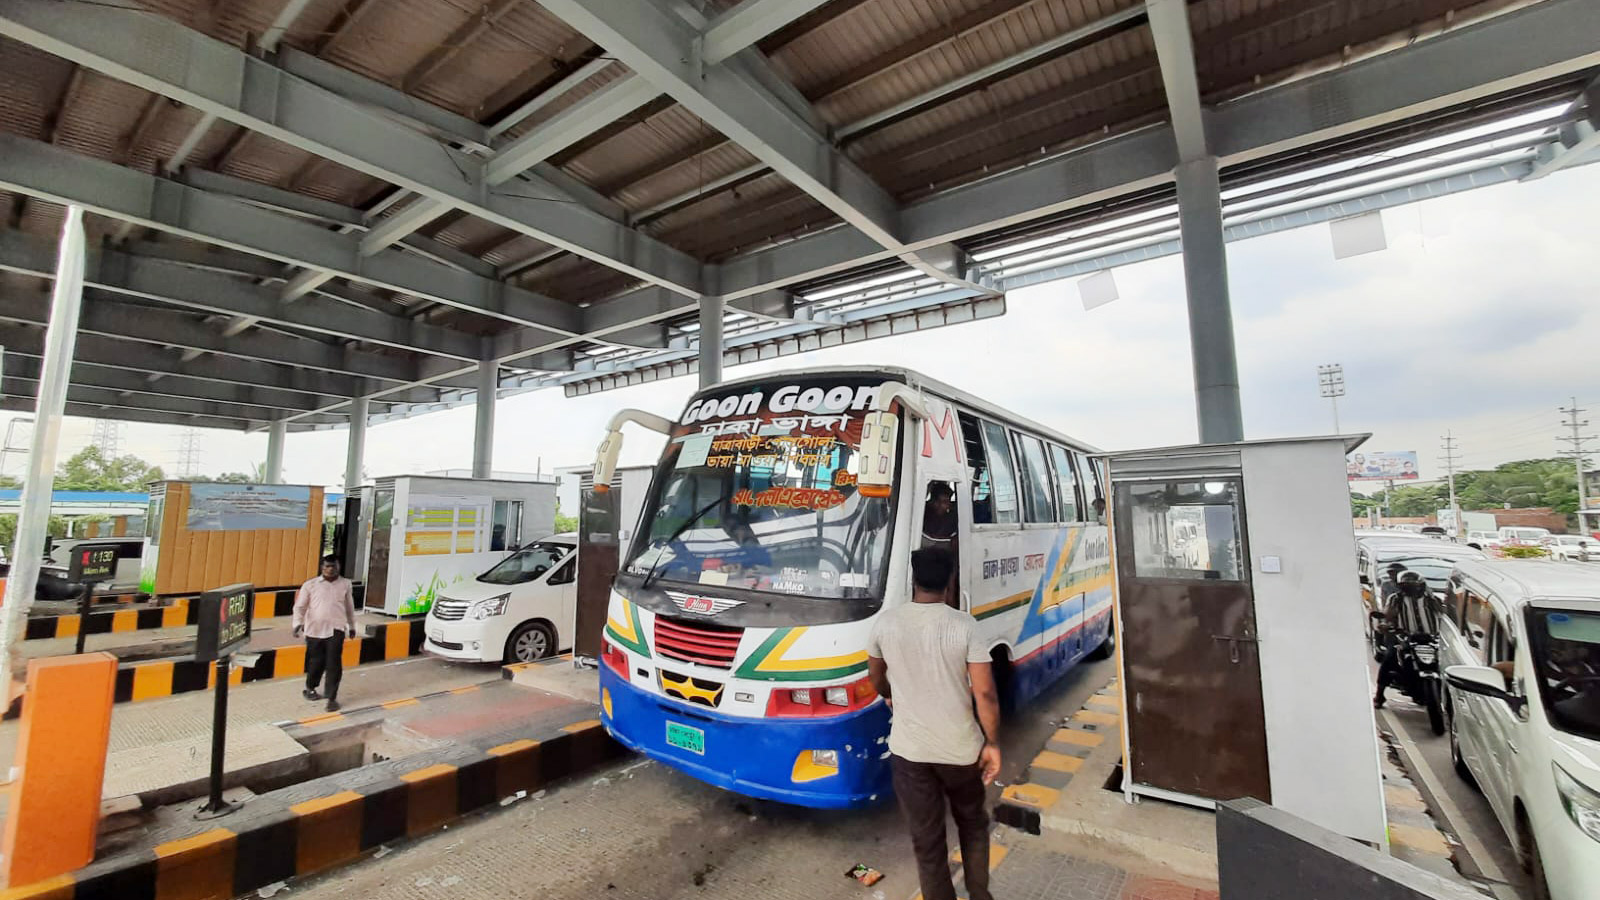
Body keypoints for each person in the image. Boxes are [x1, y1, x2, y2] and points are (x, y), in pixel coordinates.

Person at [866, 547, 1001, 900]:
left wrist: (892, 692)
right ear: (950, 581)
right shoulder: (964, 626)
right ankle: (979, 895)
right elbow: (985, 694)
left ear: (914, 580)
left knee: (927, 843)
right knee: (972, 825)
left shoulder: (886, 623)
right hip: (960, 752)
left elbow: (877, 679)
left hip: (910, 755)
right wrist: (993, 743)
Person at [294, 555, 358, 712]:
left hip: (336, 629)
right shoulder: (310, 585)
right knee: (315, 662)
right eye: (327, 566)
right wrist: (297, 623)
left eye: (333, 566)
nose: (330, 570)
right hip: (314, 629)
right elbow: (300, 607)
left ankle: (331, 698)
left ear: (339, 567)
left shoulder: (345, 584)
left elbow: (349, 607)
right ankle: (310, 687)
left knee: (334, 664)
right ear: (322, 568)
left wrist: (352, 626)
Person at [1374, 571, 1426, 708]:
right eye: (1406, 586)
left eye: (1414, 586)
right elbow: (1388, 615)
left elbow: (1446, 617)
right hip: (1403, 637)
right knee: (1389, 659)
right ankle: (1379, 695)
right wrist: (1386, 625)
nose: (1411, 589)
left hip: (1430, 639)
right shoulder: (1395, 599)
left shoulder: (1431, 599)